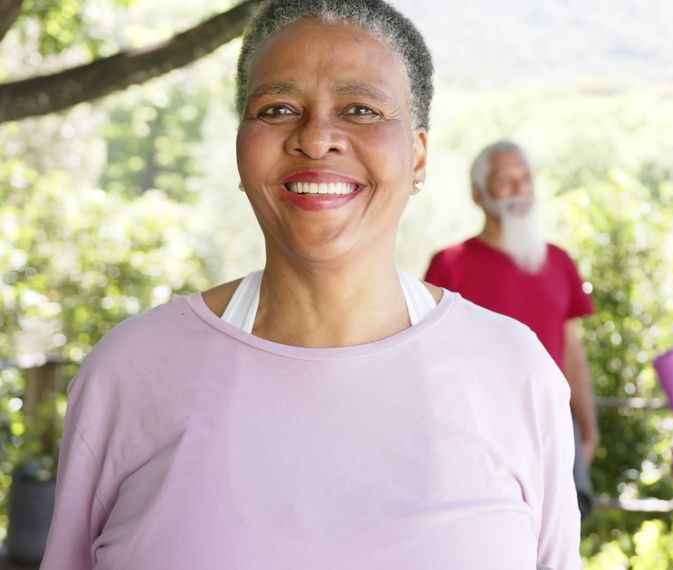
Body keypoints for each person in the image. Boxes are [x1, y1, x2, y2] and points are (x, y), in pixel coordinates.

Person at [41, 2, 581, 568]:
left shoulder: (513, 371)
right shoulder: (131, 372)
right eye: (277, 108)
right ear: (241, 147)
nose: (317, 138)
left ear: (418, 155)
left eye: (361, 109)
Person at [424, 141, 600, 517]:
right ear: (478, 193)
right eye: (506, 181)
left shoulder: (558, 261)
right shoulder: (450, 265)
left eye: (525, 179)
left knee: (558, 549)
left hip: (553, 428)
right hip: (477, 435)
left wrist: (586, 425)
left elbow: (572, 350)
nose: (520, 190)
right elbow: (428, 358)